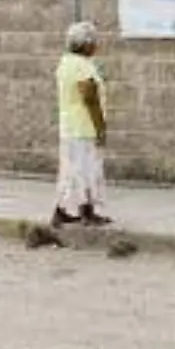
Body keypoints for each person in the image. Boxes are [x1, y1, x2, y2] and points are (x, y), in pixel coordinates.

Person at [54, 20, 110, 227]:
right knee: (87, 170)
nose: (96, 45)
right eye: (94, 42)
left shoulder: (65, 62)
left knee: (70, 171)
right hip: (84, 127)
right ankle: (86, 212)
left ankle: (61, 210)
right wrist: (100, 127)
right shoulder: (82, 66)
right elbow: (90, 98)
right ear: (85, 44)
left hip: (69, 126)